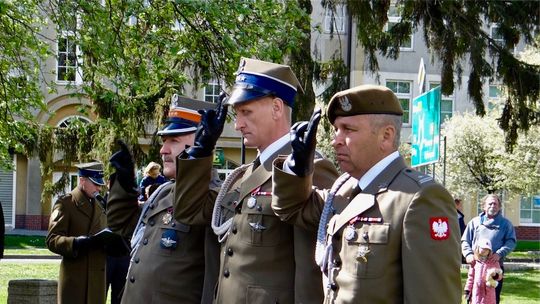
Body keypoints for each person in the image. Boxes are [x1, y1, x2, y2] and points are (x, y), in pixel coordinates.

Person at [271, 84, 462, 303]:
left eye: (348, 129)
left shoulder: (419, 198)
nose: (336, 141)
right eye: (336, 130)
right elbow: (291, 209)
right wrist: (297, 168)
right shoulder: (342, 191)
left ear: (386, 136)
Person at [175, 57, 338, 303]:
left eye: (246, 112)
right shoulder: (243, 177)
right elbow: (189, 211)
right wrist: (201, 152)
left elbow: (311, 267)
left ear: (276, 108)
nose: (238, 124)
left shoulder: (309, 169)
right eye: (237, 114)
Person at [106, 96, 221, 304]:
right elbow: (123, 227)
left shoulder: (215, 196)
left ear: (201, 142)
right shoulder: (164, 192)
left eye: (174, 141)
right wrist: (124, 186)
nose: (163, 150)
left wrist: (197, 162)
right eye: (164, 141)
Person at [46, 162, 108, 304]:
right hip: (75, 281)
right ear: (82, 180)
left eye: (100, 184)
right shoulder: (66, 203)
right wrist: (75, 243)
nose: (99, 188)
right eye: (95, 183)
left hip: (97, 281)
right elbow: (52, 239)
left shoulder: (100, 204)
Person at [462, 193, 516, 304]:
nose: (493, 206)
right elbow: (465, 241)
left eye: (496, 204)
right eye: (490, 203)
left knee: (492, 299)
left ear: (499, 206)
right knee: (473, 297)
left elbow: (511, 242)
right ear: (484, 206)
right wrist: (468, 254)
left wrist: (499, 254)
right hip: (476, 267)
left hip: (494, 268)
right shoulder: (474, 222)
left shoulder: (506, 224)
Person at [464, 238, 503, 304]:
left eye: (486, 249)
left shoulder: (494, 262)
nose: (484, 251)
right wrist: (467, 290)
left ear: (489, 251)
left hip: (489, 293)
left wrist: (495, 275)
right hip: (476, 292)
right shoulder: (474, 262)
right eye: (482, 248)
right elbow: (470, 277)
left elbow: (500, 276)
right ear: (478, 248)